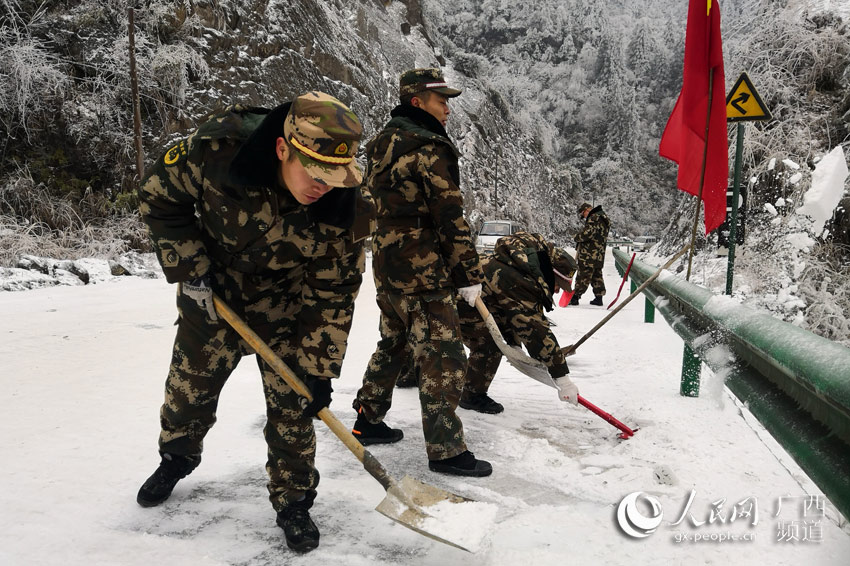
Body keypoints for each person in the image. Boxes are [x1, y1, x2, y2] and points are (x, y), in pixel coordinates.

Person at [135, 91, 373, 553]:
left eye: (333, 176)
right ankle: (176, 458)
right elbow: (159, 197)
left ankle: (294, 500)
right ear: (283, 149)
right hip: (213, 293)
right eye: (315, 174)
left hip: (287, 304)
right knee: (189, 391)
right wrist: (191, 268)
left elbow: (334, 290)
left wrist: (319, 369)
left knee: (295, 407)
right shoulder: (219, 150)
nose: (324, 187)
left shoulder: (345, 204)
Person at [351, 68, 492, 477]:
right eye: (441, 100)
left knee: (393, 344)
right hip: (424, 270)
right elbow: (449, 215)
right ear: (417, 102)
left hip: (388, 266)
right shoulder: (430, 146)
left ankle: (367, 419)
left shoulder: (381, 145)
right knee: (443, 355)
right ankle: (445, 449)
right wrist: (468, 273)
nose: (447, 109)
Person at [456, 231, 581, 413]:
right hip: (459, 299)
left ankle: (414, 372)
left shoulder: (520, 264)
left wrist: (513, 344)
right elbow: (535, 329)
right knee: (488, 343)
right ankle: (472, 395)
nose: (556, 291)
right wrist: (563, 379)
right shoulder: (519, 278)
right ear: (551, 273)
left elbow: (508, 312)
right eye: (558, 285)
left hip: (469, 297)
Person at [570, 202, 611, 306]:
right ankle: (599, 297)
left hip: (589, 253)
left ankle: (575, 297)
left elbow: (588, 234)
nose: (584, 217)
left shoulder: (593, 218)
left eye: (583, 214)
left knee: (584, 273)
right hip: (599, 253)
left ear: (587, 210)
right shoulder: (603, 218)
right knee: (596, 274)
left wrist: (577, 237)